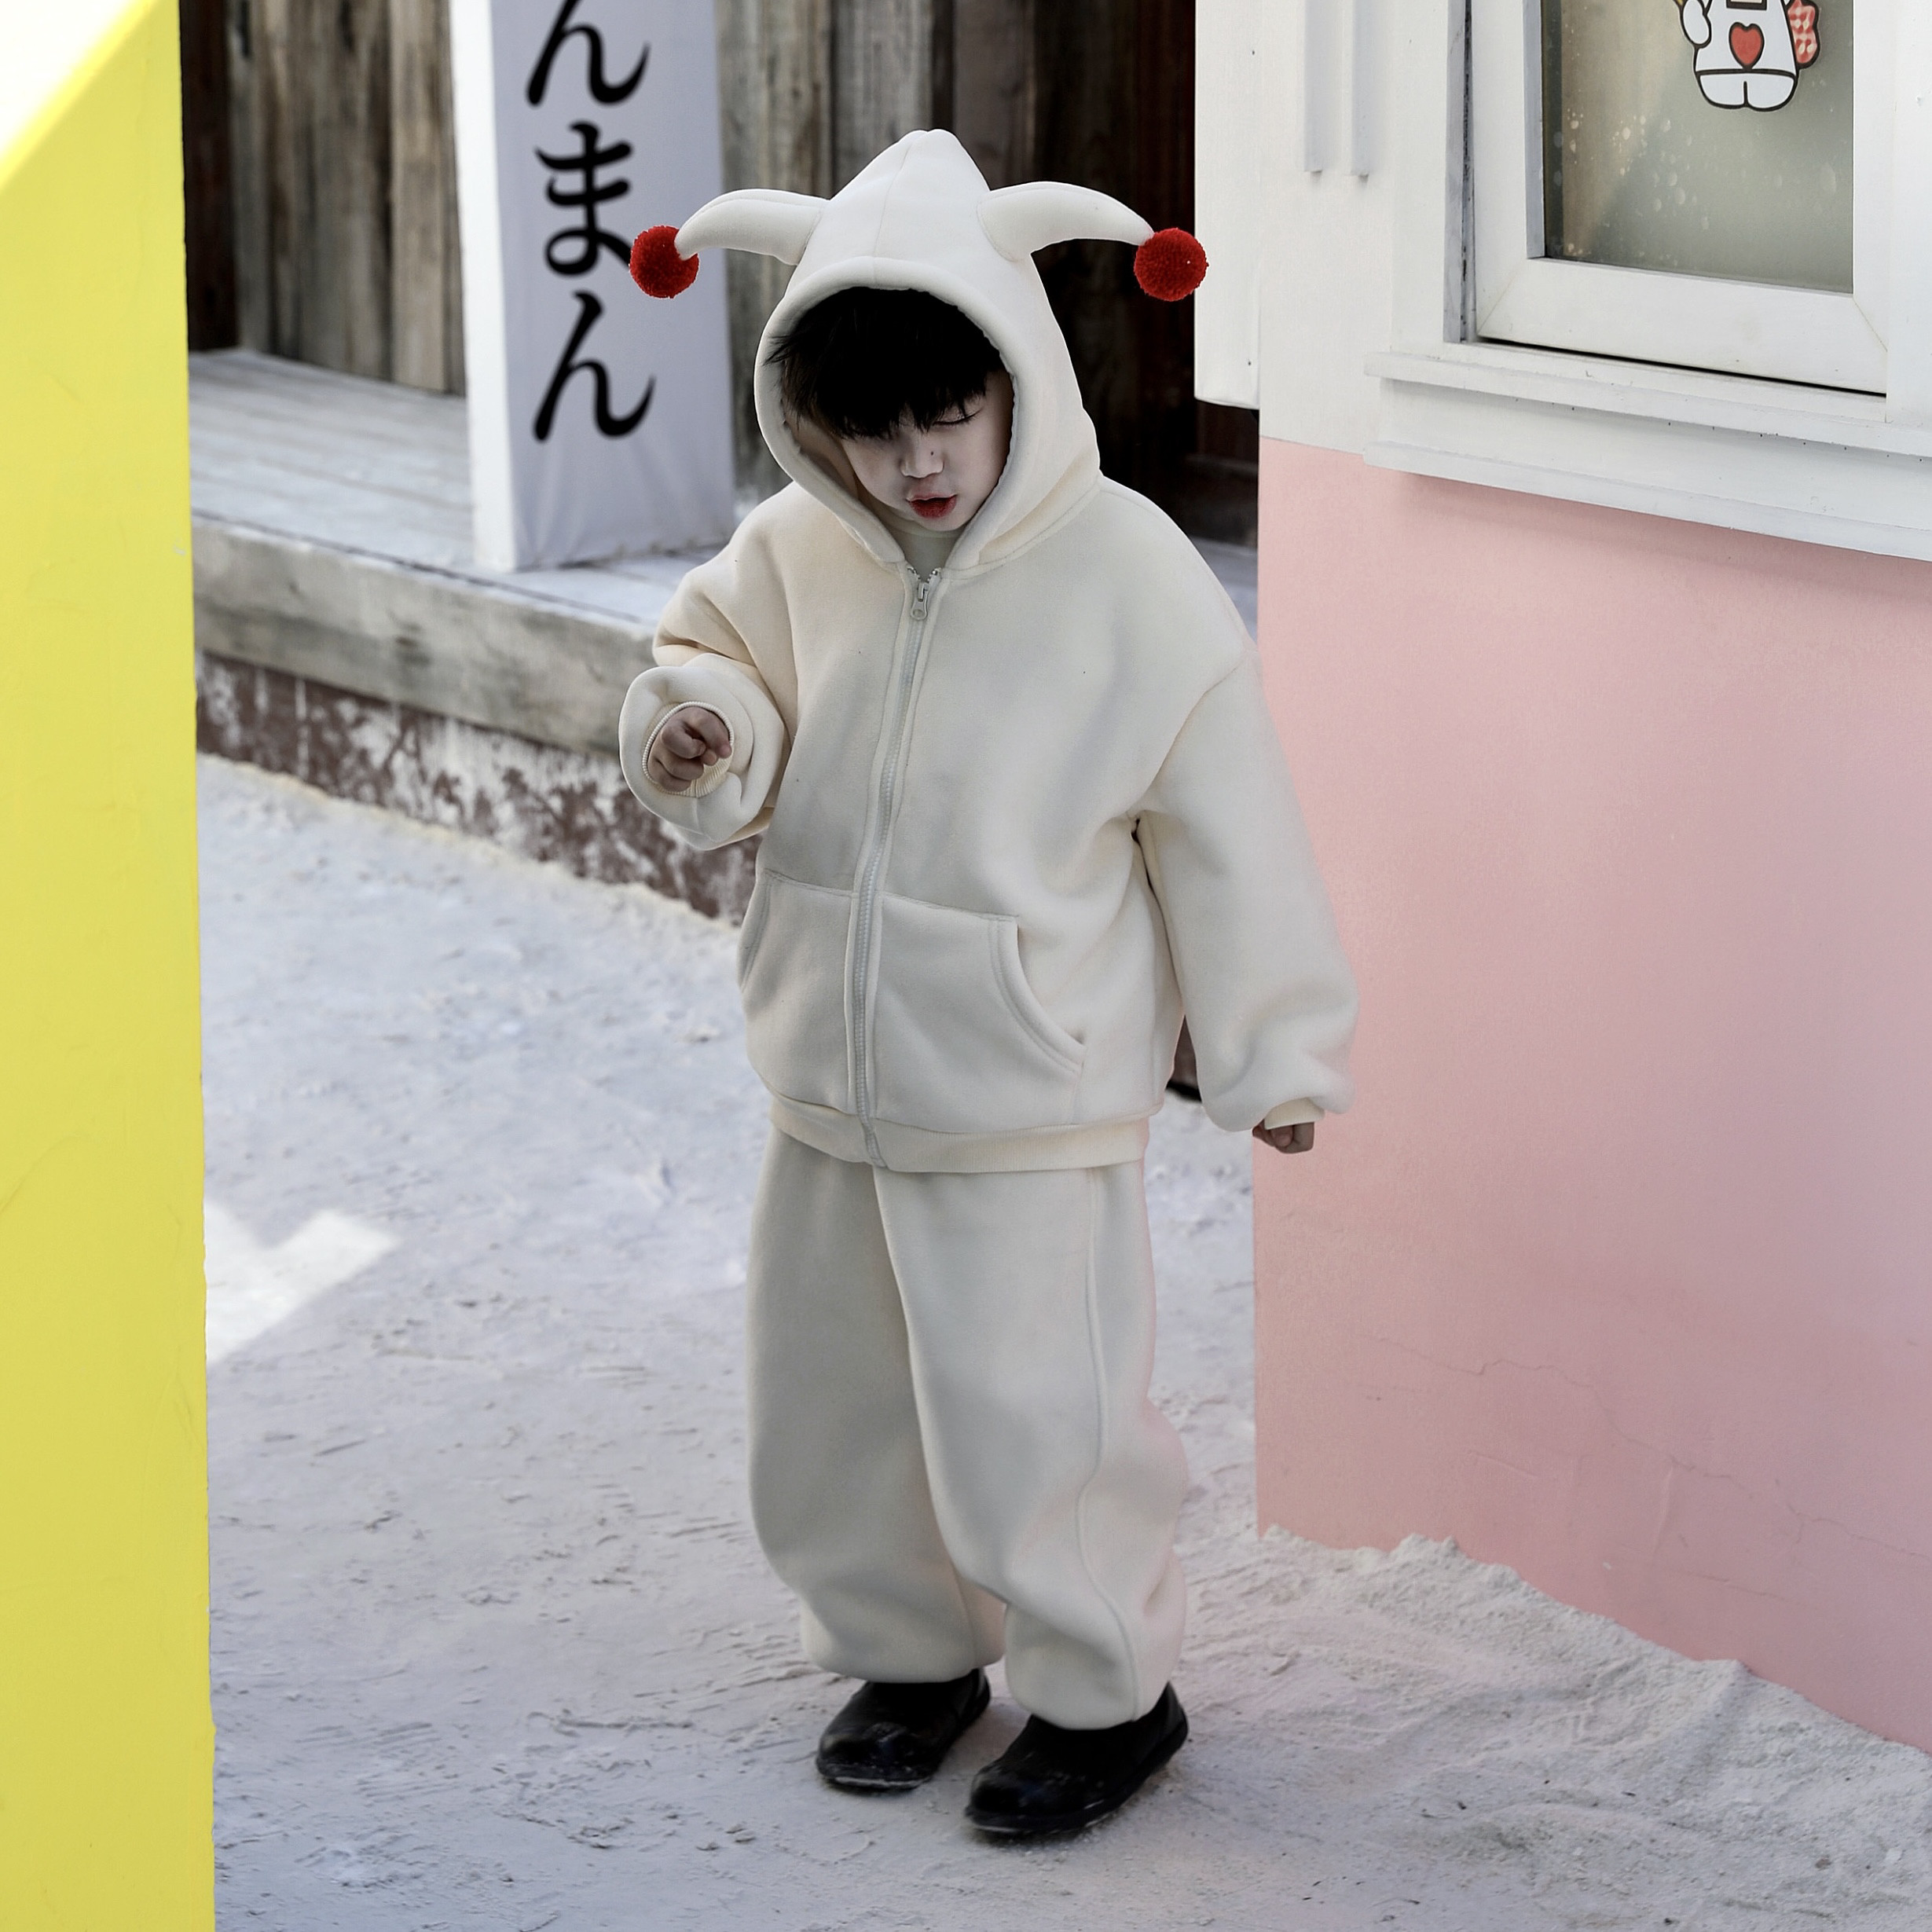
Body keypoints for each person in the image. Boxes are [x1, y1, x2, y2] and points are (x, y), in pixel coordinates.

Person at [618, 130, 1357, 1839]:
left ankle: (1105, 1693)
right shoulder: (792, 553)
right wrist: (695, 731)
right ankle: (907, 1651)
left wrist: (1279, 1050)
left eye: (951, 412)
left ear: (1019, 369)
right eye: (875, 430)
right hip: (831, 1073)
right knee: (835, 1406)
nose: (919, 460)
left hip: (1031, 1089)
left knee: (1044, 1416)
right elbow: (702, 677)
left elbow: (1230, 829)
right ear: (815, 423)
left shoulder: (1128, 575)